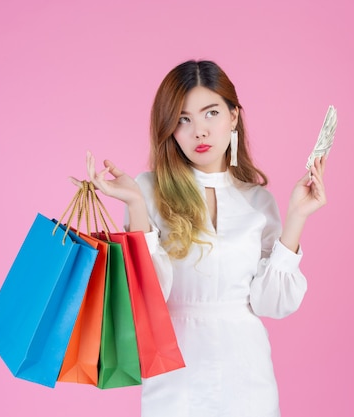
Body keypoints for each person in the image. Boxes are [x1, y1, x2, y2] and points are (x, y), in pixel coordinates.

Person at [77, 60, 327, 417]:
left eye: (211, 113)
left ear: (234, 116)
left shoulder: (258, 202)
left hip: (248, 378)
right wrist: (135, 203)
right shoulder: (149, 189)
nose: (199, 132)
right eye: (183, 119)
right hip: (174, 377)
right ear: (170, 128)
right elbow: (149, 296)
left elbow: (271, 304)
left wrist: (297, 217)